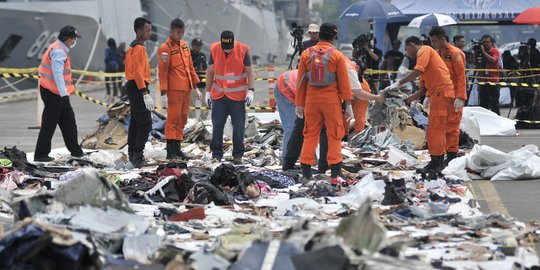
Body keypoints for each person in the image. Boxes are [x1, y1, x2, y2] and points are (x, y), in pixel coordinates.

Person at [385, 36, 455, 174]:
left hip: (442, 93)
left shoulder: (424, 50)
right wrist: (408, 100)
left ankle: (437, 162)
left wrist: (398, 83)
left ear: (411, 45)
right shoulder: (425, 60)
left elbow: (418, 71)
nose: (406, 52)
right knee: (433, 130)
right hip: (437, 94)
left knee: (436, 129)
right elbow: (423, 88)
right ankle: (436, 160)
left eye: (406, 49)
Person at [295, 22, 353, 183]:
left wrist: (299, 104)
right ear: (333, 37)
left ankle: (306, 170)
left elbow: (300, 82)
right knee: (334, 134)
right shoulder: (337, 55)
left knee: (310, 134)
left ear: (319, 35)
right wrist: (348, 104)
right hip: (331, 101)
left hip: (311, 101)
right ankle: (335, 171)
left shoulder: (307, 54)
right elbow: (344, 82)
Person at [34, 25, 84, 162]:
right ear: (68, 39)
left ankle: (76, 151)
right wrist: (64, 96)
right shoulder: (58, 51)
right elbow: (57, 75)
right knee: (49, 124)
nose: (74, 41)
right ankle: (41, 154)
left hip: (54, 92)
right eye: (74, 38)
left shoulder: (57, 47)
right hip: (54, 93)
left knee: (68, 121)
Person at [205, 31, 255, 164]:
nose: (227, 49)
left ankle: (237, 155)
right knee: (217, 125)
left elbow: (250, 72)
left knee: (238, 126)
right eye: (224, 46)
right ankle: (216, 154)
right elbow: (210, 71)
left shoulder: (243, 50)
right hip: (219, 96)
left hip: (237, 97)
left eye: (229, 46)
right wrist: (207, 91)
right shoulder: (215, 49)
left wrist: (250, 91)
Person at [158, 19, 201, 160]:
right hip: (174, 89)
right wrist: (163, 91)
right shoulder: (165, 48)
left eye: (182, 32)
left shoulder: (184, 46)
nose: (180, 35)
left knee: (183, 119)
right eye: (178, 32)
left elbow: (190, 67)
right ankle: (170, 151)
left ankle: (178, 149)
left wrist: (196, 86)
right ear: (171, 31)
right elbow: (163, 71)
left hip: (186, 88)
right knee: (173, 119)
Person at [429, 27, 467, 165]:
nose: (433, 44)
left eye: (434, 41)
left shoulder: (456, 54)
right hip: (442, 96)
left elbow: (461, 77)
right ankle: (443, 153)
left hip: (454, 96)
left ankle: (452, 154)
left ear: (442, 39)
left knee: (452, 126)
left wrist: (461, 97)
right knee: (440, 127)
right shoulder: (437, 54)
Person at [125, 17, 154, 168]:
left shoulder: (133, 47)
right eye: (147, 30)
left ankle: (132, 154)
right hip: (138, 87)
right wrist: (144, 93)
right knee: (146, 124)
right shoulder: (139, 48)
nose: (150, 32)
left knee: (136, 123)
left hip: (134, 86)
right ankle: (137, 155)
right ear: (139, 31)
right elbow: (137, 72)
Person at [475, 34, 501, 115]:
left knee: (494, 104)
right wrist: (476, 53)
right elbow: (475, 63)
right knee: (483, 104)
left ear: (491, 42)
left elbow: (493, 60)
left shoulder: (495, 51)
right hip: (482, 81)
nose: (486, 44)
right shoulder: (480, 51)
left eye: (488, 42)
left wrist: (483, 52)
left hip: (493, 81)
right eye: (484, 42)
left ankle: (497, 120)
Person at [191, 37, 209, 119]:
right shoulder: (189, 55)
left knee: (205, 102)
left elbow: (205, 67)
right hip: (192, 84)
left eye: (200, 45)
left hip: (202, 83)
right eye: (197, 45)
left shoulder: (202, 55)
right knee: (191, 104)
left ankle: (204, 120)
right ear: (193, 45)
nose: (199, 47)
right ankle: (191, 120)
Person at [105, 38, 120, 102]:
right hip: (115, 67)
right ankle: (114, 96)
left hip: (108, 66)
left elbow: (107, 58)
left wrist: (106, 61)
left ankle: (108, 94)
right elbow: (118, 58)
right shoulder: (116, 50)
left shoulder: (107, 50)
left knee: (107, 81)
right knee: (114, 82)